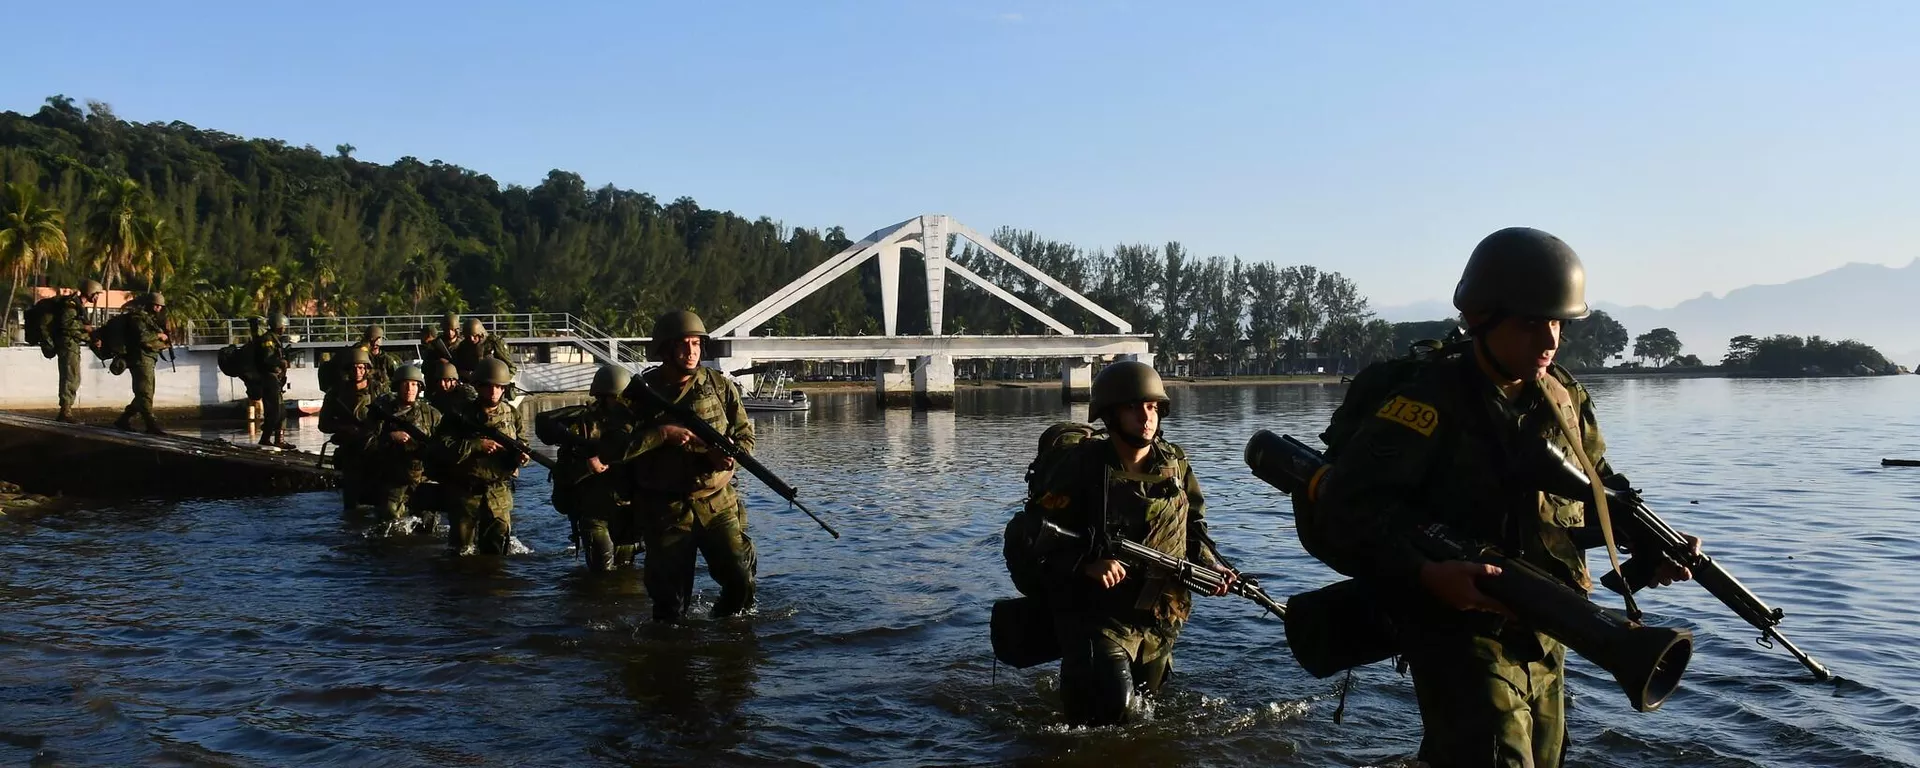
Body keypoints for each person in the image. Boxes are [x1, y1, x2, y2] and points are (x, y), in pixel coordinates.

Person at [1308, 227, 1699, 768]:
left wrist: (1644, 546)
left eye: (1558, 321)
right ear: (1481, 318)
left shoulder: (1564, 397)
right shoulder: (1429, 401)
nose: (1551, 338)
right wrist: (1426, 575)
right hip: (1458, 628)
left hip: (1550, 626)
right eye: (1531, 322)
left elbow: (1593, 494)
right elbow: (1347, 509)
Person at [1027, 360, 1237, 726]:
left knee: (1144, 721)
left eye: (1153, 407)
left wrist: (1213, 566)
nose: (1146, 416)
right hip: (1096, 614)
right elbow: (1028, 535)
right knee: (1115, 711)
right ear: (1110, 415)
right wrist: (1086, 565)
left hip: (1159, 616)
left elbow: (1193, 529)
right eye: (1133, 407)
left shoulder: (1175, 464)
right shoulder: (1083, 467)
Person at [608, 310, 757, 621]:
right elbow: (612, 448)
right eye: (683, 345)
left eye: (696, 344)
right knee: (670, 607)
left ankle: (730, 647)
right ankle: (673, 661)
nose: (691, 352)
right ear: (665, 349)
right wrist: (661, 434)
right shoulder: (638, 394)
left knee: (741, 582)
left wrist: (727, 456)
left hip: (717, 503)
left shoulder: (719, 386)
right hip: (665, 511)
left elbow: (744, 435)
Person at [539, 364, 638, 572]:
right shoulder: (582, 427)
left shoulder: (635, 425)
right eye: (615, 397)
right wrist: (587, 465)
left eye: (623, 397)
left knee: (627, 572)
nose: (621, 403)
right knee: (602, 573)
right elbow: (564, 471)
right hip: (594, 512)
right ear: (602, 397)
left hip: (627, 512)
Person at [430, 358, 525, 555]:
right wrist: (476, 445)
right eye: (489, 387)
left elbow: (522, 442)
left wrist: (521, 456)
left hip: (498, 493)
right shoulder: (458, 415)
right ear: (478, 387)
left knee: (498, 552)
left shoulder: (511, 413)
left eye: (499, 387)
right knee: (461, 552)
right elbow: (440, 447)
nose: (494, 392)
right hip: (465, 493)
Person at [366, 365, 442, 532]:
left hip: (423, 480)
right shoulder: (382, 413)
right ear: (397, 386)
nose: (410, 389)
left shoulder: (431, 414)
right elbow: (367, 443)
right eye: (405, 384)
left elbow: (445, 445)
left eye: (414, 385)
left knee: (429, 529)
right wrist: (390, 437)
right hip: (393, 481)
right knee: (390, 528)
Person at [318, 347, 378, 513]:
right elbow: (323, 424)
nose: (357, 371)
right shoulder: (336, 394)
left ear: (367, 369)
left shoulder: (379, 391)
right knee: (351, 503)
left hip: (376, 450)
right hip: (350, 450)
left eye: (361, 367)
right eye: (353, 367)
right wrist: (344, 428)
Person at [112, 292, 170, 434]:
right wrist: (159, 336)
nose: (158, 308)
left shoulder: (151, 319)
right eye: (156, 305)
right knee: (145, 393)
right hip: (140, 358)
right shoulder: (138, 317)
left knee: (145, 393)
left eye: (160, 306)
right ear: (149, 304)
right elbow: (143, 338)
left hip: (148, 358)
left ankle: (124, 419)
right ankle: (151, 424)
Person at [51, 280, 103, 423]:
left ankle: (66, 410)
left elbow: (76, 330)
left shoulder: (78, 306)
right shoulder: (71, 305)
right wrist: (86, 330)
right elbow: (67, 325)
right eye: (97, 294)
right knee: (70, 377)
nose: (97, 297)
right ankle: (65, 412)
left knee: (73, 377)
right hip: (67, 345)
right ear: (90, 291)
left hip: (72, 345)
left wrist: (90, 337)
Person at [246, 313, 294, 449]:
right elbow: (267, 360)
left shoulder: (275, 339)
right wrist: (281, 362)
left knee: (282, 411)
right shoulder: (268, 340)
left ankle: (279, 439)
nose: (284, 329)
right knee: (275, 411)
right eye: (283, 326)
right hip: (268, 378)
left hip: (275, 379)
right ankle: (266, 438)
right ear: (279, 326)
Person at [451, 317, 513, 383]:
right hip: (472, 383)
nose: (472, 339)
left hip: (492, 383)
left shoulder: (493, 343)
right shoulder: (462, 346)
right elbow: (457, 368)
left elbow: (511, 368)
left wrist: (501, 379)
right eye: (468, 337)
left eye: (475, 336)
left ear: (481, 334)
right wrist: (465, 374)